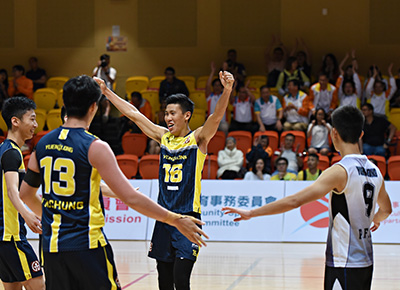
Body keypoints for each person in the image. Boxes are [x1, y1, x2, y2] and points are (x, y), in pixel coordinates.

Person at [19, 75, 208, 290]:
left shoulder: (43, 144)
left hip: (52, 247)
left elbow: (25, 194)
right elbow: (131, 197)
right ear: (93, 107)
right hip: (87, 244)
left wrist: (52, 218)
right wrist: (175, 220)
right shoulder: (95, 146)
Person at [222, 105, 393, 290]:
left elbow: (295, 201)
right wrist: (374, 219)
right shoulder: (375, 170)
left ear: (333, 133)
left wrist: (251, 213)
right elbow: (386, 210)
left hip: (343, 262)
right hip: (366, 261)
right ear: (361, 134)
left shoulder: (339, 171)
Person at [94, 71, 234, 290]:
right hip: (164, 218)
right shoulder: (163, 137)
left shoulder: (197, 139)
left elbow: (216, 117)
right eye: (166, 114)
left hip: (188, 218)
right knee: (164, 282)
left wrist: (227, 90)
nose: (168, 118)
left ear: (186, 115)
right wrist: (107, 92)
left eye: (172, 113)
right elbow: (134, 114)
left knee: (181, 280)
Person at [0, 97, 45, 290]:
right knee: (38, 285)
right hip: (11, 236)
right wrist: (27, 215)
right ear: (15, 121)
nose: (35, 125)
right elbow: (12, 191)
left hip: (3, 236)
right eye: (32, 119)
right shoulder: (12, 153)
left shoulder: (4, 149)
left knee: (13, 287)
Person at [92, 54, 117, 123]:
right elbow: (92, 78)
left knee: (107, 101)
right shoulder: (97, 70)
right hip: (98, 90)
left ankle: (106, 115)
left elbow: (112, 81)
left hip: (108, 90)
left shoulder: (112, 70)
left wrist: (106, 72)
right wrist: (98, 67)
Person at [206, 62, 229, 134]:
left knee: (225, 128)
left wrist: (225, 71)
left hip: (222, 122)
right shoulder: (210, 96)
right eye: (215, 85)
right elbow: (207, 86)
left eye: (219, 85)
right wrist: (212, 71)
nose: (217, 87)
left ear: (222, 87)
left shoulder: (224, 96)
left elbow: (227, 86)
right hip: (210, 122)